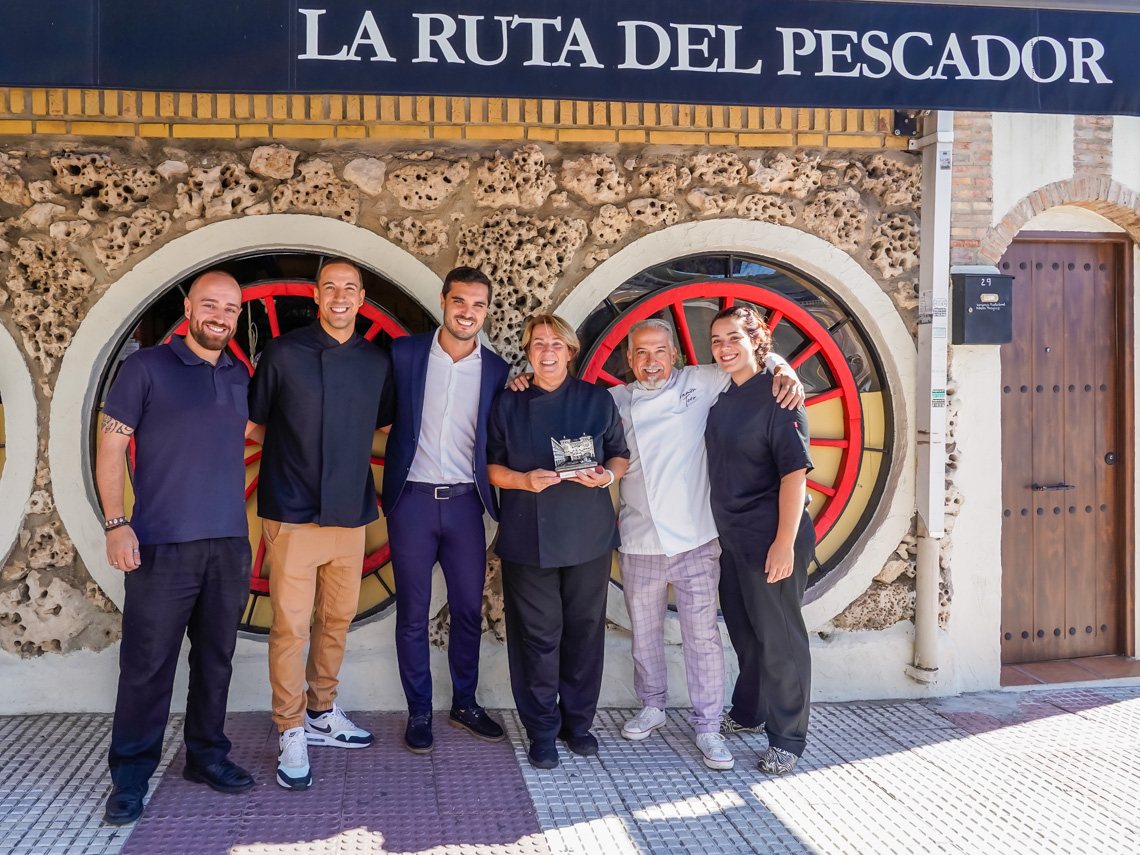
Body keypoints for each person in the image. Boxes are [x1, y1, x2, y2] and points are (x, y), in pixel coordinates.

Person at [609, 318, 804, 771]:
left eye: (659, 351)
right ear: (630, 359)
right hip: (639, 539)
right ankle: (653, 706)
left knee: (704, 638)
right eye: (641, 353)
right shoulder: (614, 400)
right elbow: (570, 408)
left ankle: (709, 726)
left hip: (697, 539)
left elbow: (753, 361)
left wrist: (783, 365)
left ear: (675, 354)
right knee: (645, 635)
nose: (651, 361)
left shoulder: (702, 380)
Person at [98, 271, 255, 825]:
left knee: (215, 662)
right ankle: (130, 776)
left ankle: (206, 757)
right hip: (160, 544)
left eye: (230, 308)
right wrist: (117, 523)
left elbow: (257, 434)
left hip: (230, 544)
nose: (219, 315)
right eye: (209, 304)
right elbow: (111, 447)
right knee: (147, 666)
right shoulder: (145, 368)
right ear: (187, 306)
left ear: (239, 315)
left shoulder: (241, 373)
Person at [247, 257, 395, 790]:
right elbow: (255, 423)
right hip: (291, 511)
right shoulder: (284, 353)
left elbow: (379, 424)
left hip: (351, 513)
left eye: (349, 288)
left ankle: (322, 711)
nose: (339, 296)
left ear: (362, 298)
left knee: (336, 620)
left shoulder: (377, 362)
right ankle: (289, 727)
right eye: (329, 287)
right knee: (288, 627)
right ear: (316, 295)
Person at [487, 314, 630, 770]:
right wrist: (523, 481)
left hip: (588, 536)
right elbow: (490, 467)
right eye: (538, 344)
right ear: (528, 352)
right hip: (528, 536)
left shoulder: (596, 399)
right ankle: (542, 730)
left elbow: (619, 454)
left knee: (585, 633)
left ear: (571, 351)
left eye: (556, 344)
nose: (547, 351)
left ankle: (578, 724)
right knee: (536, 637)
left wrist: (606, 475)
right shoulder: (508, 404)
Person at [382, 267, 510, 754]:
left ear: (486, 309)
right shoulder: (405, 354)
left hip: (464, 507)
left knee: (465, 609)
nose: (468, 312)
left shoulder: (496, 371)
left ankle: (465, 703)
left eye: (478, 305)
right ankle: (418, 710)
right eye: (460, 302)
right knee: (412, 613)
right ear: (443, 300)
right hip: (411, 502)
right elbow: (379, 414)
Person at [705, 306, 814, 775]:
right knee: (745, 635)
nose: (725, 348)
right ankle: (749, 712)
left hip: (773, 536)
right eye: (716, 340)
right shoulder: (723, 396)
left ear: (757, 341)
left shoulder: (780, 398)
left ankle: (788, 737)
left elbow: (795, 476)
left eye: (734, 338)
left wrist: (784, 544)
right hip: (732, 540)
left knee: (780, 638)